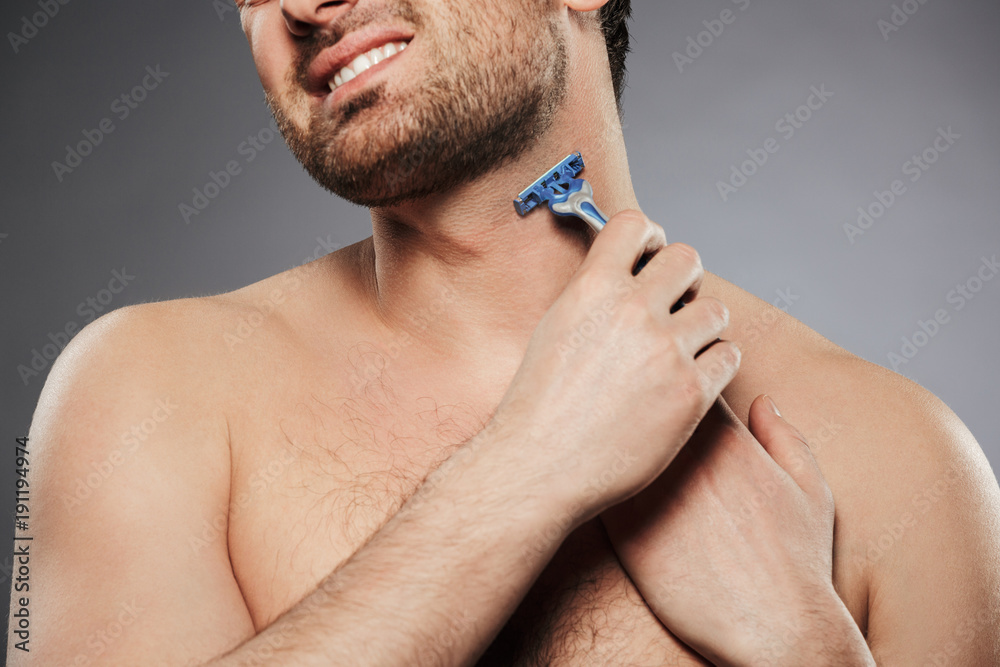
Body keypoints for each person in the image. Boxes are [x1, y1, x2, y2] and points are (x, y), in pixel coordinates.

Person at [10, 0, 999, 665]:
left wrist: (801, 645)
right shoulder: (143, 399)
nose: (302, 2)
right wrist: (531, 467)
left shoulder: (904, 460)